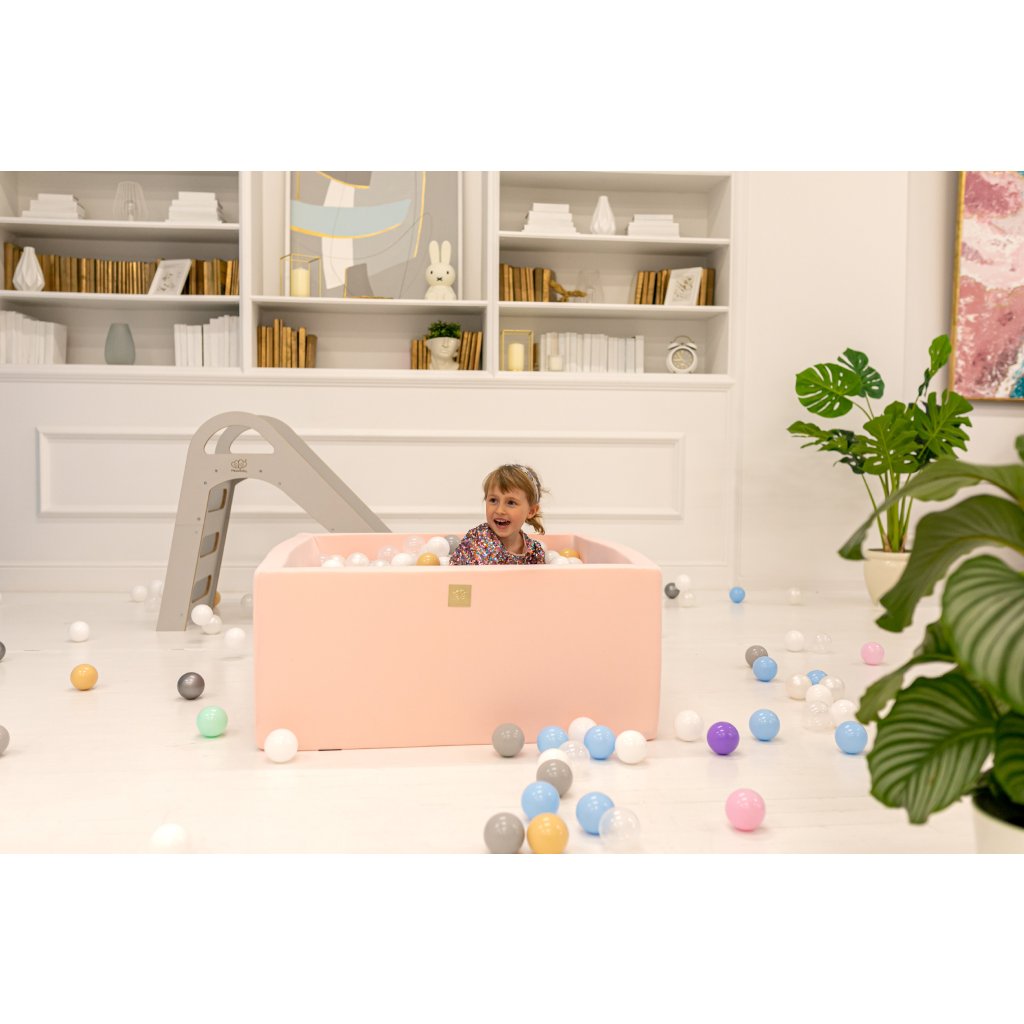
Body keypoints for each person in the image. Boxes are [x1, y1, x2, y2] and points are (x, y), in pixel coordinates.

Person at [449, 464, 547, 565]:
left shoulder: (534, 553)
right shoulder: (475, 541)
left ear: (531, 511)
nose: (500, 510)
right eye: (493, 500)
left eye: (511, 503)